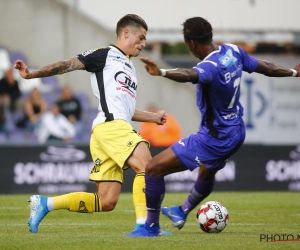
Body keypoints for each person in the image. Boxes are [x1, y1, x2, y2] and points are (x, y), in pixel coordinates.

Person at [127, 16, 300, 237]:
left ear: (191, 43)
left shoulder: (209, 66)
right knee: (207, 172)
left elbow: (189, 74)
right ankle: (183, 210)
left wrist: (161, 72)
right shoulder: (233, 52)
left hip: (214, 138)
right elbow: (266, 66)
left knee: (152, 170)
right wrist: (294, 73)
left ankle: (150, 228)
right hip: (236, 130)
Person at [14, 14, 169, 235]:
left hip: (110, 128)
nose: (144, 44)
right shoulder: (105, 55)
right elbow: (68, 65)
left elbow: (124, 110)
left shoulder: (129, 66)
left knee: (106, 201)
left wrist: (152, 117)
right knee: (147, 166)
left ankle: (45, 204)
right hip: (111, 128)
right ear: (126, 33)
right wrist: (32, 75)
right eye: (141, 37)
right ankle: (145, 226)